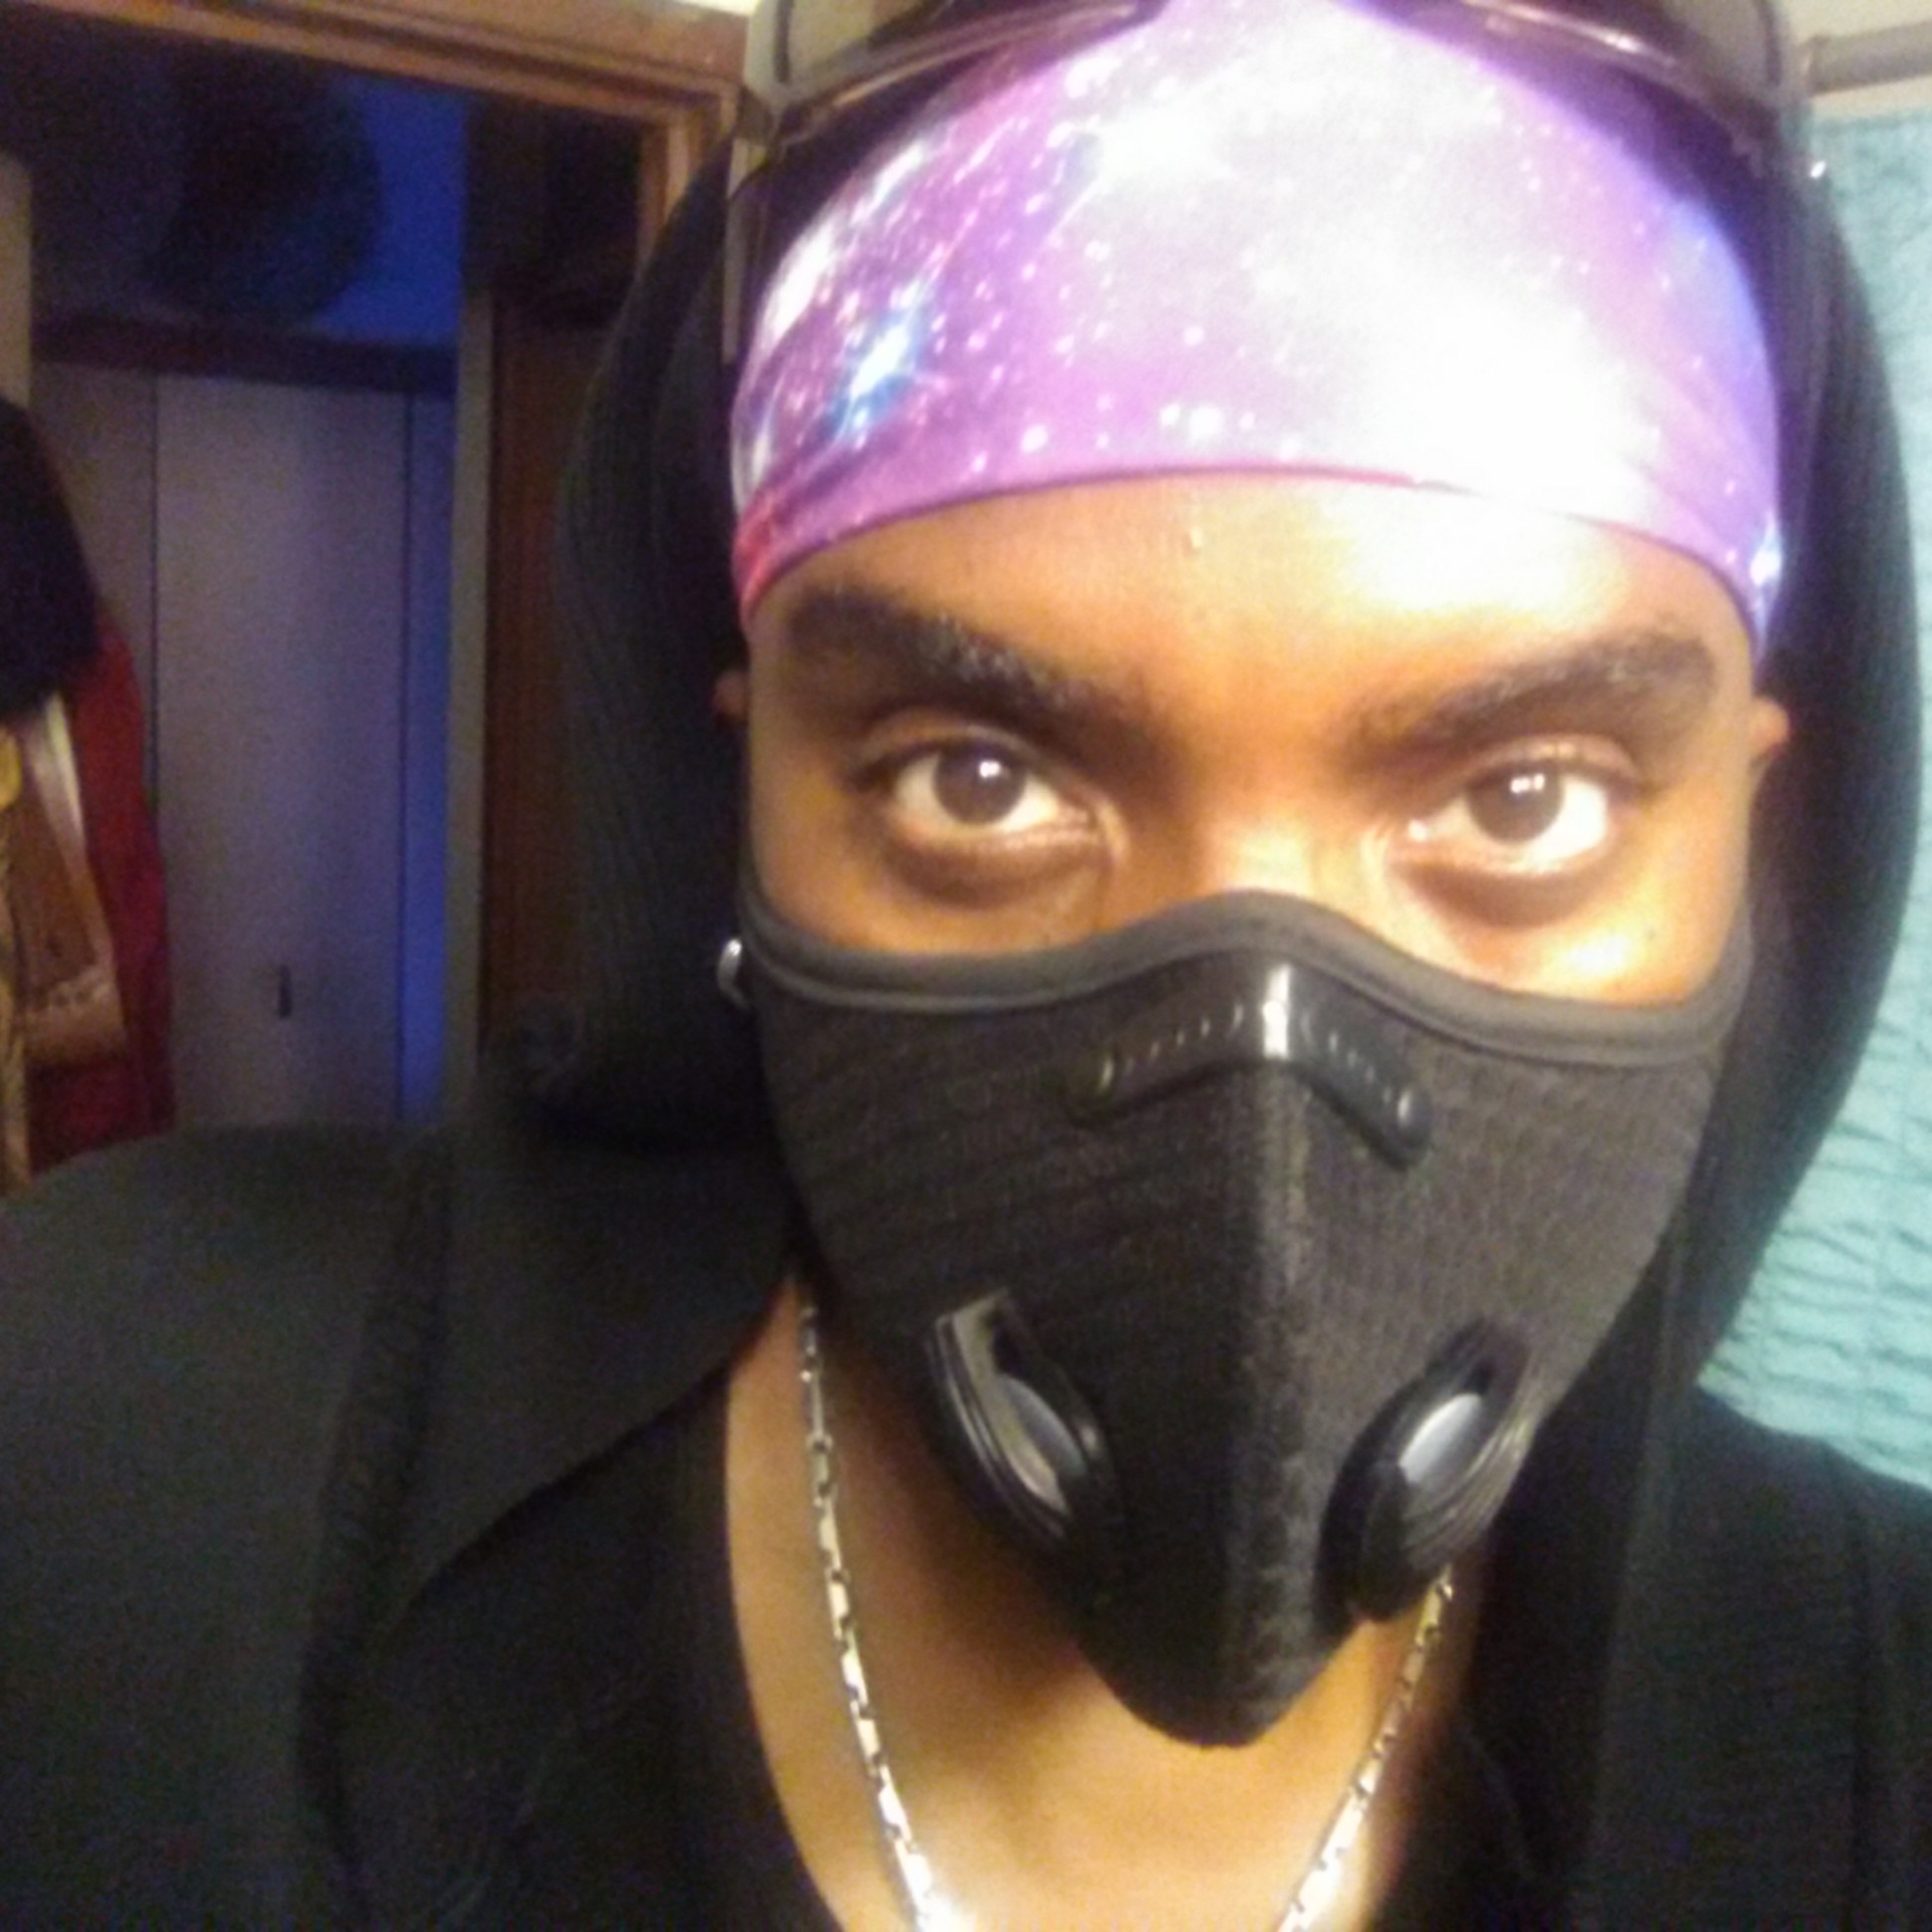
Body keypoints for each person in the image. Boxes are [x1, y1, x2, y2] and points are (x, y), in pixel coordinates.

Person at [4, 0, 1930, 1922]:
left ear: (1753, 838)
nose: (1257, 1193)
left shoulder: (1877, 1726)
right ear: (741, 786)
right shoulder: (109, 1457)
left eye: (1524, 799)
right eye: (979, 778)